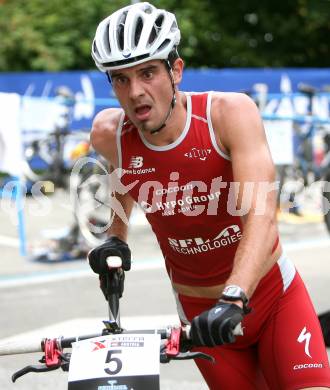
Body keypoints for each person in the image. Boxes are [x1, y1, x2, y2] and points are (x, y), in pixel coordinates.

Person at [88, 2, 330, 389]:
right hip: (200, 312)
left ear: (176, 70)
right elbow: (125, 179)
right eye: (120, 79)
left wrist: (235, 297)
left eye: (148, 72)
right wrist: (115, 236)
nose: (135, 92)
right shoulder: (108, 133)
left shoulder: (228, 114)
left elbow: (262, 214)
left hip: (270, 299)